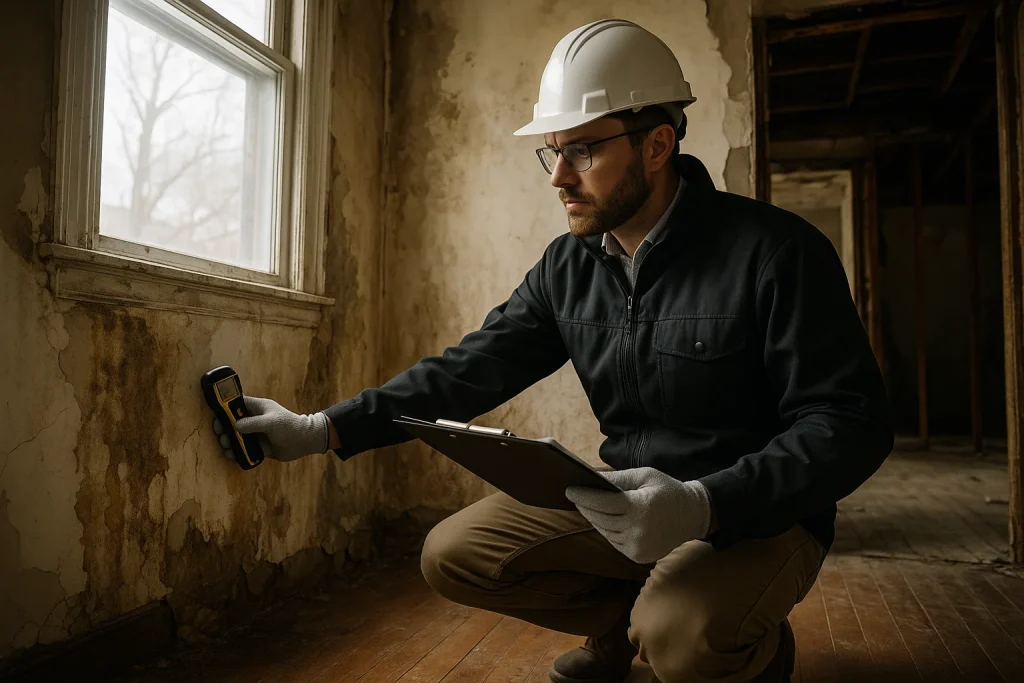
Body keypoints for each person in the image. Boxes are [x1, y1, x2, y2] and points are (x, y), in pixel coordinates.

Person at [212, 18, 893, 683]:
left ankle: (749, 649)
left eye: (583, 151)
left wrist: (701, 502)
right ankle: (628, 618)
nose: (558, 176)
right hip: (625, 500)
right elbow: (468, 369)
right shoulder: (565, 269)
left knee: (681, 645)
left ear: (657, 145)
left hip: (757, 517)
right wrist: (324, 428)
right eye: (553, 151)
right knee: (453, 554)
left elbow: (851, 424)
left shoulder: (777, 252)